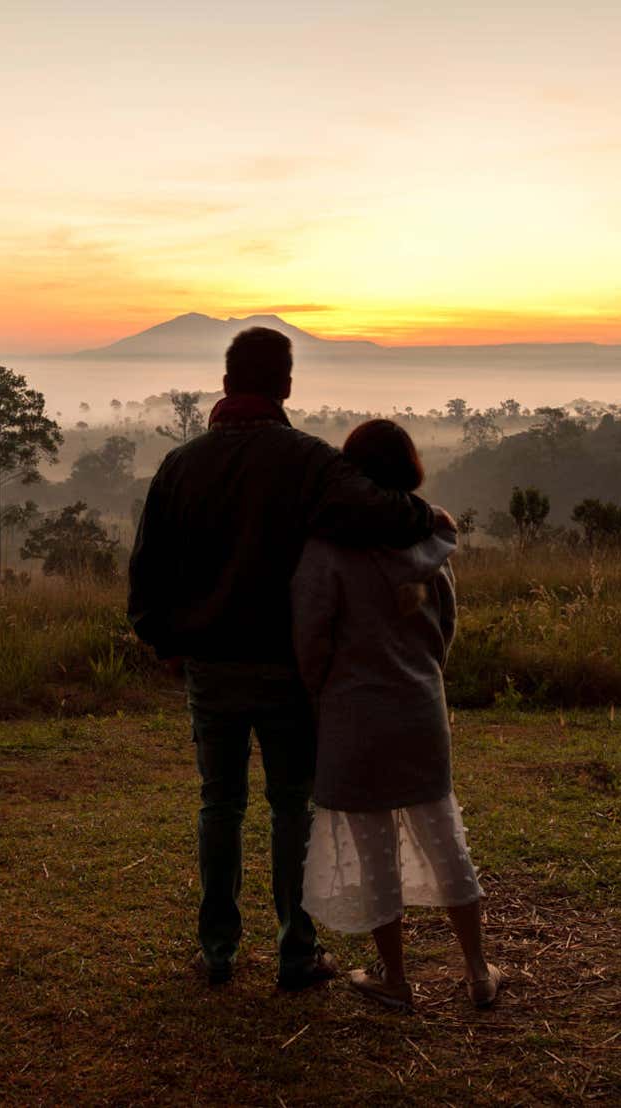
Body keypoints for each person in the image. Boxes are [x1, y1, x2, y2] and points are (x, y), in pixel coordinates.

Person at [127, 326, 448, 991]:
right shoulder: (308, 462)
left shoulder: (180, 465)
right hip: (285, 669)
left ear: (225, 386)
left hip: (209, 669)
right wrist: (428, 517)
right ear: (288, 387)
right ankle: (295, 954)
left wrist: (166, 645)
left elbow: (146, 574)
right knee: (290, 808)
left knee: (219, 805)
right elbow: (385, 515)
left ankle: (217, 953)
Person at [291, 419, 500, 1011]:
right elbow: (445, 627)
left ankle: (395, 979)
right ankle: (478, 971)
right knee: (444, 838)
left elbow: (311, 640)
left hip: (353, 715)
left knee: (375, 850)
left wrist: (320, 694)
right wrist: (424, 676)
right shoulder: (429, 539)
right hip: (420, 708)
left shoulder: (326, 548)